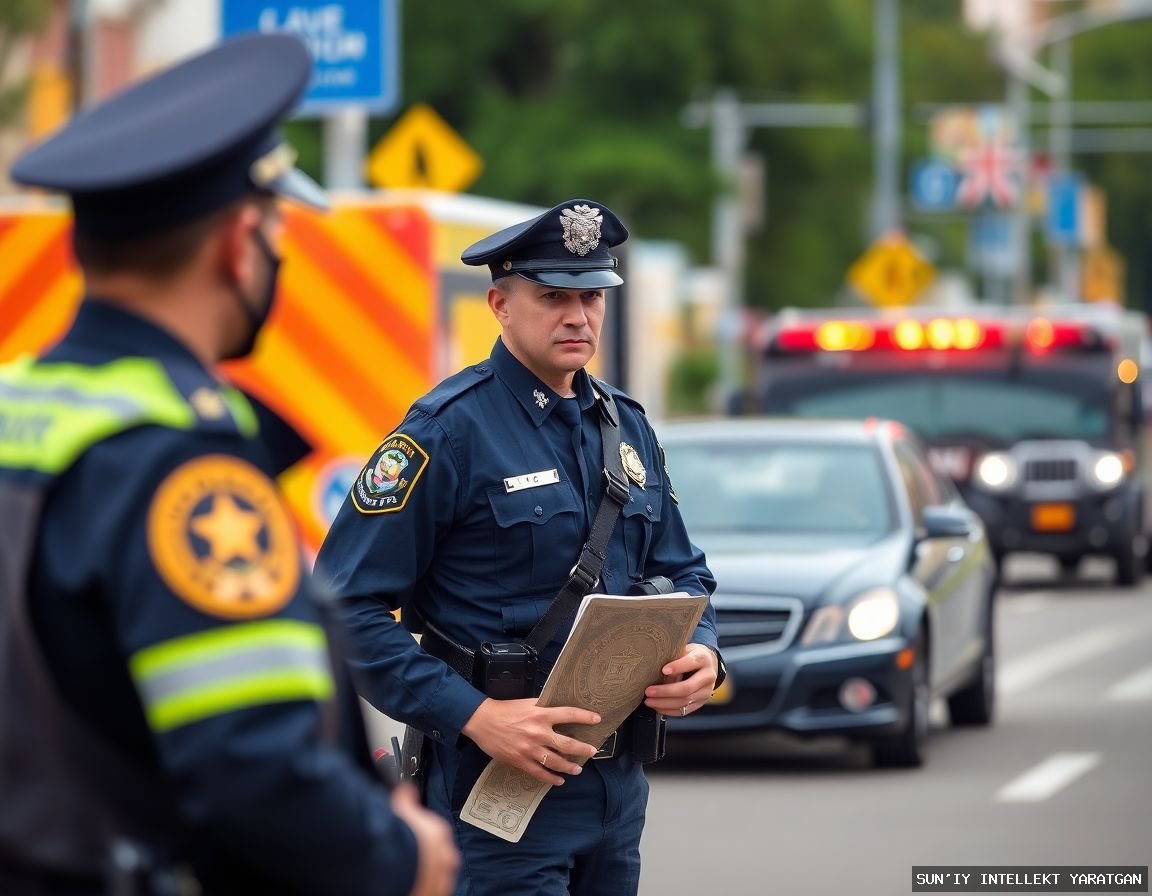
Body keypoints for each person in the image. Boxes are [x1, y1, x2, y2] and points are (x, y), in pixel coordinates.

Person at [0, 32, 458, 896]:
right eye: (279, 226)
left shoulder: (21, 409)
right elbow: (254, 768)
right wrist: (402, 860)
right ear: (238, 243)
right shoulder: (180, 464)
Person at [315, 199, 725, 895]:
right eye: (553, 297)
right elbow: (342, 609)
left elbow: (682, 570)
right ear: (500, 304)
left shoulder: (626, 427)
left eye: (592, 296)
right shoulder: (446, 432)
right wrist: (473, 715)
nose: (579, 316)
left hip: (616, 793)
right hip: (494, 796)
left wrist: (704, 654)